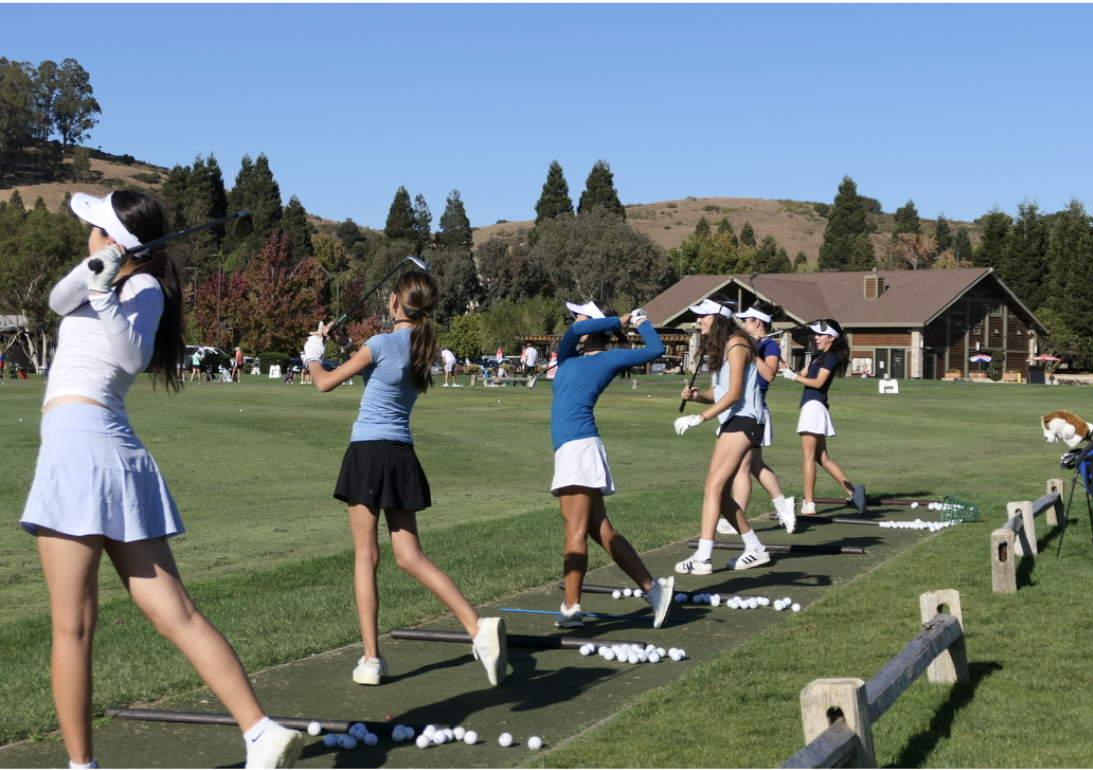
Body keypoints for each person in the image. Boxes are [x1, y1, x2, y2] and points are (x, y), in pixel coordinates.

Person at [20, 191, 302, 769]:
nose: (87, 234)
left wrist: (105, 292)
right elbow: (54, 300)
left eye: (94, 228)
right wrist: (96, 272)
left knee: (74, 627)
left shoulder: (142, 289)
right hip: (102, 452)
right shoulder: (102, 270)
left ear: (114, 236)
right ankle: (261, 731)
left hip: (81, 451)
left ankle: (83, 767)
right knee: (169, 611)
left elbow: (130, 356)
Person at [303, 271, 507, 687]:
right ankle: (475, 628)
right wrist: (345, 345)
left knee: (366, 557)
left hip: (367, 452)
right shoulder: (423, 347)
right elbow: (378, 370)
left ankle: (372, 660)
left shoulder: (380, 344)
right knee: (410, 556)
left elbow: (323, 382)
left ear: (395, 303)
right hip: (400, 455)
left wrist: (312, 350)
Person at [550, 300, 674, 629]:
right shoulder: (568, 355)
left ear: (597, 322)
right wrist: (613, 320)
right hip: (571, 450)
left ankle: (572, 608)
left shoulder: (609, 359)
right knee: (599, 530)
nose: (573, 318)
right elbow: (576, 330)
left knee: (574, 531)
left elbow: (656, 347)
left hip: (579, 448)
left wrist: (639, 321)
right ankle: (653, 589)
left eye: (580, 312)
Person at [674, 297, 772, 574]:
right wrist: (697, 398)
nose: (698, 321)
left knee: (714, 488)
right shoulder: (727, 345)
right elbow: (719, 393)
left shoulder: (738, 344)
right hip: (734, 421)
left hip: (745, 421)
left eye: (703, 316)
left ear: (718, 319)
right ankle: (754, 547)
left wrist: (700, 418)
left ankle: (703, 558)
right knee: (717, 491)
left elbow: (735, 393)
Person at [779, 319, 866, 515]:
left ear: (831, 338)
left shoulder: (832, 357)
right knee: (822, 458)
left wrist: (794, 377)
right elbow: (801, 374)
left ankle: (809, 503)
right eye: (816, 334)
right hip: (812, 407)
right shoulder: (818, 356)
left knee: (808, 457)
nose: (816, 337)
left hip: (814, 406)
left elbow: (817, 383)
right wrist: (789, 370)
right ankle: (854, 493)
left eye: (820, 334)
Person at [732, 302, 796, 535]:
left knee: (742, 467)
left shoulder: (770, 346)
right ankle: (783, 505)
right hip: (745, 407)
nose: (743, 324)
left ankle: (737, 519)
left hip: (754, 409)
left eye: (747, 321)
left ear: (756, 322)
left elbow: (769, 374)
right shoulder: (757, 344)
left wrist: (750, 350)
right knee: (755, 466)